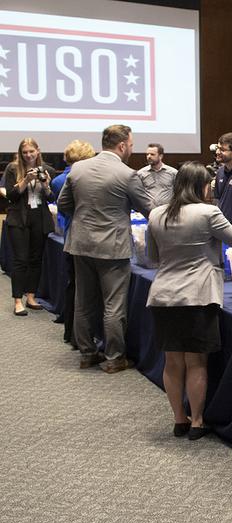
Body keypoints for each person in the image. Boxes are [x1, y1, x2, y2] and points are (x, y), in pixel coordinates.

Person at [146, 162, 232, 439]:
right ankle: (197, 421)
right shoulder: (208, 212)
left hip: (163, 295)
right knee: (196, 362)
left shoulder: (156, 214)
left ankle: (179, 419)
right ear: (201, 186)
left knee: (172, 362)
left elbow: (152, 257)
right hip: (198, 295)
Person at [57, 124, 155, 373]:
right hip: (113, 248)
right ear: (122, 146)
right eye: (131, 145)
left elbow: (63, 203)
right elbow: (149, 210)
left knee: (83, 302)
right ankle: (114, 358)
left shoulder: (78, 168)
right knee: (113, 305)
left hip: (80, 244)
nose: (132, 149)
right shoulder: (127, 174)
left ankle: (87, 354)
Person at [2, 138, 57, 316]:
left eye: (31, 151)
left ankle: (31, 296)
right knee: (20, 259)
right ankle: (18, 300)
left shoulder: (47, 170)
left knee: (36, 259)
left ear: (38, 151)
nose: (28, 155)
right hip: (18, 217)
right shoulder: (13, 168)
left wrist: (46, 186)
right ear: (20, 153)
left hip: (39, 218)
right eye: (25, 152)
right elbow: (10, 196)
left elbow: (51, 198)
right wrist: (25, 180)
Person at [50, 140, 96, 345]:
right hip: (87, 238)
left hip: (69, 236)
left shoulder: (58, 180)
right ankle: (81, 337)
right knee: (85, 292)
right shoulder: (85, 178)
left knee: (73, 286)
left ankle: (70, 332)